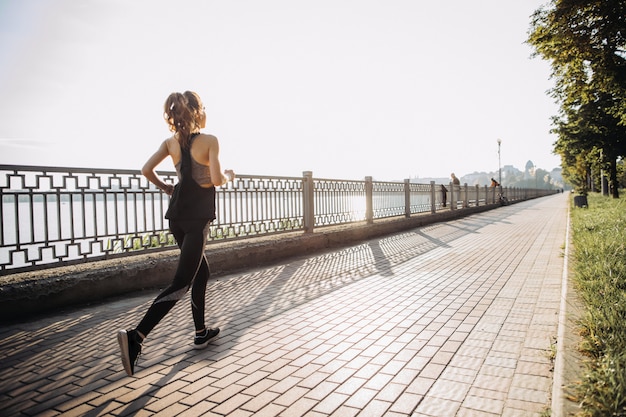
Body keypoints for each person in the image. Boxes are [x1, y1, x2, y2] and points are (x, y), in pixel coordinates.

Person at [117, 91, 235, 377]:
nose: (206, 112)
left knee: (201, 272)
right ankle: (137, 337)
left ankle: (200, 331)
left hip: (177, 217)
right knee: (181, 282)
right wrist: (230, 175)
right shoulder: (210, 140)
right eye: (204, 108)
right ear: (196, 112)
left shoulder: (170, 143)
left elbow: (146, 170)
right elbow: (217, 180)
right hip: (197, 219)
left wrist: (169, 188)